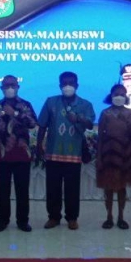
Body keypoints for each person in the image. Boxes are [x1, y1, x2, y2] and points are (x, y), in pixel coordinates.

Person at [37, 72, 95, 230]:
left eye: (71, 83)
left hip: (74, 153)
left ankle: (72, 218)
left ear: (77, 85)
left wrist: (78, 119)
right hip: (53, 152)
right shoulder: (51, 102)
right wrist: (38, 146)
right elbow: (42, 124)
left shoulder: (85, 104)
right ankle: (54, 217)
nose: (67, 86)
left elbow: (90, 124)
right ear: (60, 85)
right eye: (64, 83)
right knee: (52, 188)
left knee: (72, 189)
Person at [0, 75, 37, 232]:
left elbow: (32, 123)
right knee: (2, 189)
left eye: (13, 85)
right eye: (6, 85)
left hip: (22, 154)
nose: (10, 88)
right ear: (1, 88)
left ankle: (23, 221)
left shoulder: (25, 105)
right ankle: (2, 220)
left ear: (18, 87)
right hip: (3, 154)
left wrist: (15, 114)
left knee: (22, 189)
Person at [96, 85, 131, 230]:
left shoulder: (130, 113)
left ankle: (121, 216)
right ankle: (109, 217)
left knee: (121, 187)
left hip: (125, 152)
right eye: (116, 94)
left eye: (122, 94)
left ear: (126, 96)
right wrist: (99, 156)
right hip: (108, 152)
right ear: (111, 95)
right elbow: (100, 136)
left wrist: (126, 121)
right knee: (108, 187)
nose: (119, 96)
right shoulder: (105, 113)